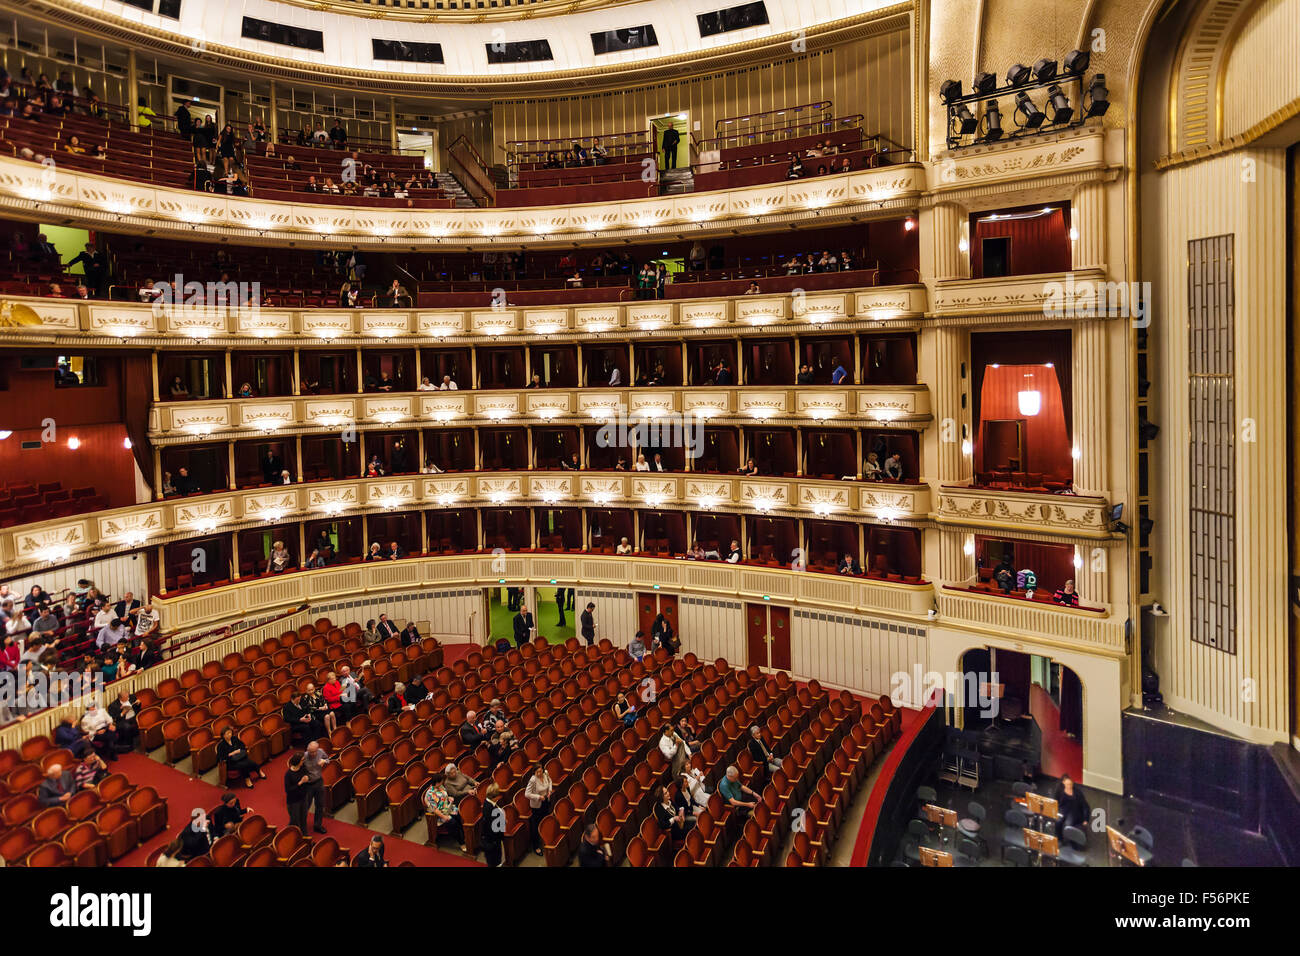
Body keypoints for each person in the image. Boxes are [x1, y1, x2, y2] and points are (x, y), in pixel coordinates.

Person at [423, 772, 466, 851]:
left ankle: (464, 835)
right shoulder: (430, 794)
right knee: (453, 823)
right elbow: (434, 809)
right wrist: (444, 817)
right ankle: (461, 842)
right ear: (437, 782)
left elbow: (444, 795)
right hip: (440, 814)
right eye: (441, 781)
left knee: (460, 816)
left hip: (448, 808)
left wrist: (449, 797)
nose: (443, 782)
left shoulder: (440, 786)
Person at [302, 742, 330, 833]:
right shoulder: (304, 756)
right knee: (306, 806)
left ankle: (317, 825)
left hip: (319, 782)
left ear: (317, 749)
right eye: (310, 752)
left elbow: (328, 759)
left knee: (320, 805)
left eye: (314, 752)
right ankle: (301, 827)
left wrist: (324, 761)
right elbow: (297, 768)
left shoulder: (321, 752)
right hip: (308, 785)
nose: (313, 754)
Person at [525, 764, 553, 854]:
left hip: (546, 801)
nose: (539, 773)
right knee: (535, 826)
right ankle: (536, 846)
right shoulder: (533, 780)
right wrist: (538, 797)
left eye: (540, 771)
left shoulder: (545, 774)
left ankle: (546, 840)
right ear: (534, 772)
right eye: (537, 772)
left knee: (546, 821)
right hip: (537, 805)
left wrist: (549, 791)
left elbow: (550, 782)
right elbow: (527, 794)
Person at [480, 782, 505, 867]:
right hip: (492, 841)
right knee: (494, 861)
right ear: (495, 797)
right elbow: (496, 829)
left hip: (492, 839)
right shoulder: (491, 810)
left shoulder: (488, 802)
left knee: (495, 859)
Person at [284, 751, 310, 832]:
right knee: (295, 820)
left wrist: (307, 778)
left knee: (304, 817)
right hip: (294, 801)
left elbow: (307, 774)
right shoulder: (288, 774)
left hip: (303, 797)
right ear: (297, 762)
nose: (303, 761)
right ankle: (296, 835)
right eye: (302, 760)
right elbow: (288, 790)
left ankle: (304, 834)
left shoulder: (302, 768)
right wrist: (300, 783)